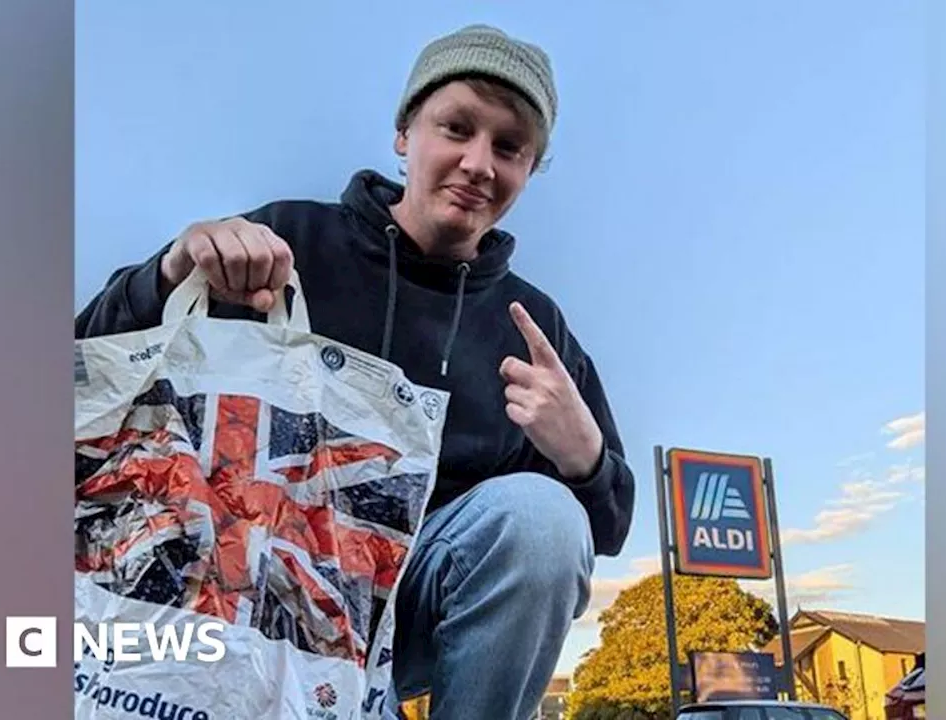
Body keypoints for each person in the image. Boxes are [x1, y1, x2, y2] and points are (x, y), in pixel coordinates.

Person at [75, 23, 636, 719]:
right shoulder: (285, 243)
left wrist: (585, 459)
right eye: (456, 128)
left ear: (529, 170)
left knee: (542, 518)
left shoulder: (532, 330)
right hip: (241, 588)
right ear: (405, 134)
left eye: (510, 147)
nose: (478, 163)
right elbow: (88, 361)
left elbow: (603, 530)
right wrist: (169, 270)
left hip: (407, 614)